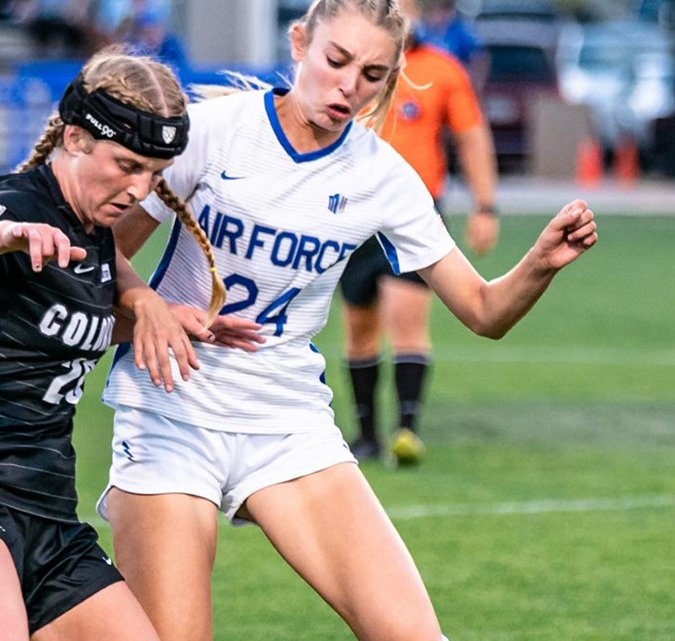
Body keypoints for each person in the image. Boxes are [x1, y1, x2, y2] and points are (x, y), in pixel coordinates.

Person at [96, 1, 598, 641]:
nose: (348, 85)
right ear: (300, 43)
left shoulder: (383, 176)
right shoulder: (213, 132)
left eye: (371, 74)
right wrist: (150, 307)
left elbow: (483, 311)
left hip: (286, 422)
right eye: (335, 60)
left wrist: (539, 264)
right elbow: (107, 253)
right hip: (170, 412)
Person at [0, 47, 236, 641]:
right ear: (74, 138)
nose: (138, 189)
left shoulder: (92, 234)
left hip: (48, 517)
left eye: (154, 174)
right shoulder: (20, 204)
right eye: (126, 164)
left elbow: (76, 319)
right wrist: (5, 236)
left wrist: (164, 317)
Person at [339, 0, 498, 465]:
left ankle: (407, 430)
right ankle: (366, 434)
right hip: (349, 214)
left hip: (413, 217)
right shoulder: (351, 70)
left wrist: (484, 206)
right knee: (359, 326)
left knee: (407, 319)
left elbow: (471, 136)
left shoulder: (442, 70)